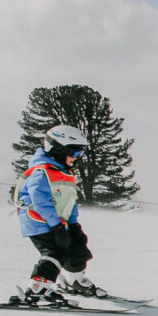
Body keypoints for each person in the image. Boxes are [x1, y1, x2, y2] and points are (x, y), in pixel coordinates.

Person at [14, 125, 106, 303]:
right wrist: (56, 227)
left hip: (57, 222)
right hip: (38, 222)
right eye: (73, 152)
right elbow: (40, 202)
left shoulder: (64, 173)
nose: (76, 158)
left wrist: (73, 225)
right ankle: (37, 288)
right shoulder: (42, 172)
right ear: (57, 149)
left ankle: (74, 282)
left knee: (78, 249)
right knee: (55, 251)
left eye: (79, 153)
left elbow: (70, 201)